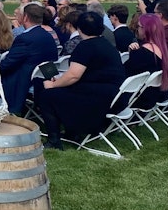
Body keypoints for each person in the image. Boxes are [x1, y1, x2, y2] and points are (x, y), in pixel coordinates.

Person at [35, 11, 125, 148]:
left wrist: (53, 85)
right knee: (55, 89)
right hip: (112, 94)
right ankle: (72, 132)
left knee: (47, 95)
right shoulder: (107, 44)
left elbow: (73, 75)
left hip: (96, 97)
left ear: (79, 28)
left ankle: (54, 140)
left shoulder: (85, 46)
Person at [0, 3, 59, 116]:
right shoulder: (48, 36)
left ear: (25, 17)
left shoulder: (25, 38)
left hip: (23, 81)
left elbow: (8, 64)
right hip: (45, 78)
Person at [123, 13, 168, 110]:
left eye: (139, 26)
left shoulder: (142, 53)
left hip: (137, 98)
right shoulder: (162, 49)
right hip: (151, 95)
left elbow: (124, 72)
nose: (137, 29)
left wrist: (132, 53)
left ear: (146, 30)